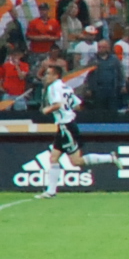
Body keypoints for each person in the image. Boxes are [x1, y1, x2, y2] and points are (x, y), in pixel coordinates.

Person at [34, 57, 81, 197]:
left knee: (77, 161)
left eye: (48, 74)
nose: (46, 76)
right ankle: (51, 191)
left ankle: (110, 158)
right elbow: (77, 104)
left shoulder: (53, 87)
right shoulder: (66, 87)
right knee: (53, 158)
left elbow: (58, 104)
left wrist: (46, 110)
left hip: (66, 125)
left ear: (56, 76)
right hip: (65, 124)